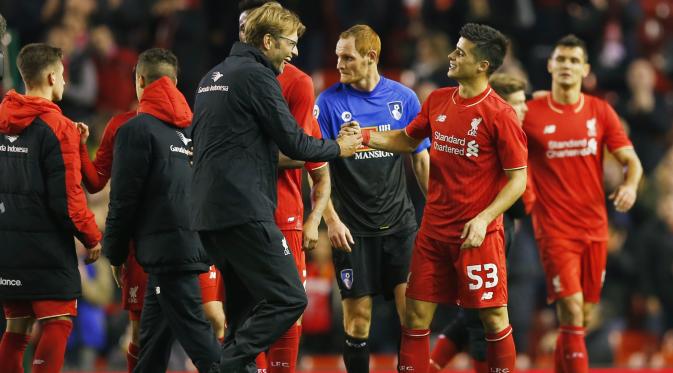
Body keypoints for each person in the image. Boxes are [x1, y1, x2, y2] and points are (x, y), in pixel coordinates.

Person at [341, 23, 528, 373]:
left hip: (477, 237)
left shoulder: (501, 115)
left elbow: (518, 180)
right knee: (414, 316)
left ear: (482, 65)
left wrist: (485, 219)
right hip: (432, 232)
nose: (452, 56)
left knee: (492, 317)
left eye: (461, 52)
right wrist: (364, 136)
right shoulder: (438, 99)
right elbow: (408, 140)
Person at [191, 3, 361, 372]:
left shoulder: (211, 77)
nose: (295, 52)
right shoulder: (258, 76)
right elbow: (295, 144)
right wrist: (339, 147)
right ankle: (227, 365)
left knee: (242, 309)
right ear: (268, 41)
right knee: (288, 298)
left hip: (206, 215)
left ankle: (236, 363)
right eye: (290, 43)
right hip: (244, 210)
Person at [78, 80, 225, 373]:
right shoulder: (188, 128)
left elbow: (120, 199)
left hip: (167, 248)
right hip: (177, 245)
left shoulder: (148, 128)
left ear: (140, 82)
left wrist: (114, 252)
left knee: (200, 327)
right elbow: (99, 183)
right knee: (149, 336)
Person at [522, 34, 643, 373]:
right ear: (550, 65)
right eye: (561, 59)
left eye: (574, 61)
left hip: (595, 228)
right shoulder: (529, 113)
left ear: (586, 69)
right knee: (572, 311)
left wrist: (630, 187)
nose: (566, 66)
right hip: (554, 229)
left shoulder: (600, 111)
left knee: (581, 317)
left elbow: (631, 160)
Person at [314, 24, 430, 373]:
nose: (339, 63)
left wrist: (438, 213)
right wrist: (330, 220)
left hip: (400, 224)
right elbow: (318, 169)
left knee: (411, 314)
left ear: (371, 57)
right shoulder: (328, 103)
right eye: (337, 56)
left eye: (347, 57)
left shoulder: (404, 99)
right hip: (353, 231)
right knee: (358, 320)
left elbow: (421, 160)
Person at [238, 1, 332, 372]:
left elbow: (303, 154)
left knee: (289, 308)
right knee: (242, 309)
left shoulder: (297, 83)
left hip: (284, 213)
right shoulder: (228, 78)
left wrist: (317, 219)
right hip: (240, 212)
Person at [0, 43, 102, 373]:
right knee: (58, 322)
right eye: (63, 75)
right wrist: (91, 235)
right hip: (45, 247)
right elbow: (69, 198)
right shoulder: (58, 128)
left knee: (16, 331)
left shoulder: (3, 119)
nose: (65, 82)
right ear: (50, 76)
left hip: (7, 245)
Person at [428, 73, 531, 373]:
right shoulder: (493, 133)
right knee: (480, 314)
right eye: (516, 104)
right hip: (486, 227)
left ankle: (433, 364)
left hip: (504, 230)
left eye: (524, 104)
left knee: (481, 310)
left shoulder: (519, 134)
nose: (522, 110)